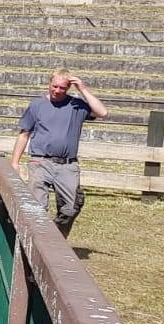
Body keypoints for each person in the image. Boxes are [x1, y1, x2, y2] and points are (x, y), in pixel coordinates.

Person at [11, 69, 108, 237]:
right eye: (54, 86)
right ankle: (33, 242)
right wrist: (15, 162)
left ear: (68, 88)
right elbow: (24, 133)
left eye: (62, 88)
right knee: (37, 207)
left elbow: (102, 112)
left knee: (71, 207)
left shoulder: (76, 106)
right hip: (40, 162)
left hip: (67, 165)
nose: (56, 90)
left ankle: (54, 238)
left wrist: (83, 89)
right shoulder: (37, 105)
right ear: (49, 84)